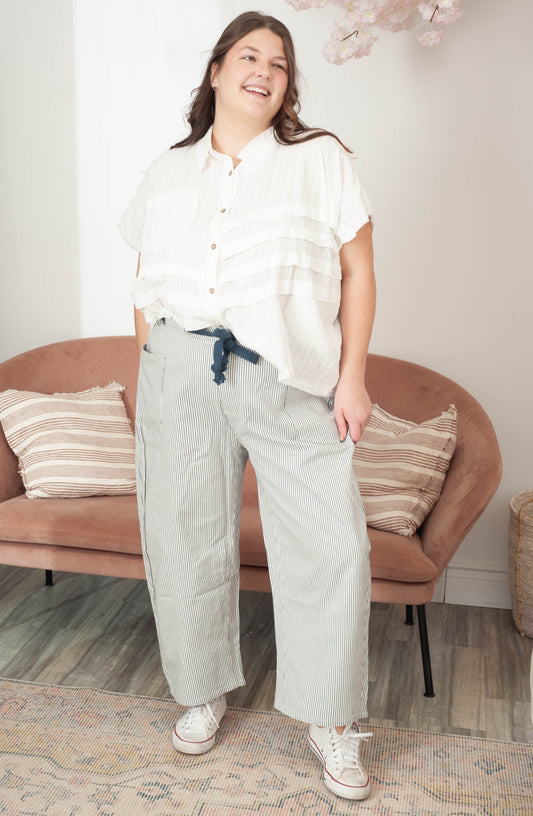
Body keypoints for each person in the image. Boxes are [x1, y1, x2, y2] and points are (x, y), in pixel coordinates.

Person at [119, 11, 375, 802]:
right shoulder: (166, 171)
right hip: (179, 369)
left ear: (288, 84)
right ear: (218, 69)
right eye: (248, 55)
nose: (264, 70)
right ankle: (201, 692)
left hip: (289, 373)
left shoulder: (321, 159)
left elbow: (358, 275)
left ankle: (330, 719)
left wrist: (353, 375)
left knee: (332, 548)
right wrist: (155, 366)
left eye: (279, 61)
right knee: (182, 536)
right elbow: (144, 286)